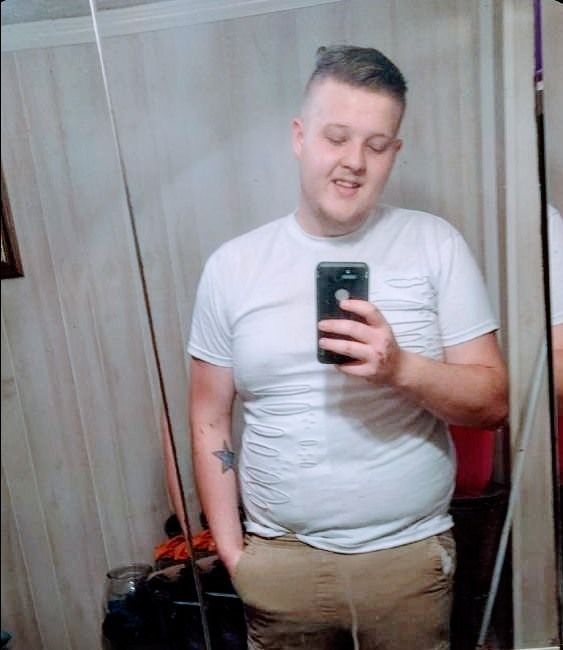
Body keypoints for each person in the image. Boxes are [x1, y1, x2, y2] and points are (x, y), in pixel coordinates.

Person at [187, 45, 508, 650]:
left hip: (408, 561)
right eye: (336, 137)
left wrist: (401, 367)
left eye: (376, 145)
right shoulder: (233, 267)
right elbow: (208, 417)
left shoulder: (435, 244)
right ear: (299, 137)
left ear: (395, 153)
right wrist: (234, 553)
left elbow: (492, 404)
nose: (354, 162)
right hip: (278, 564)